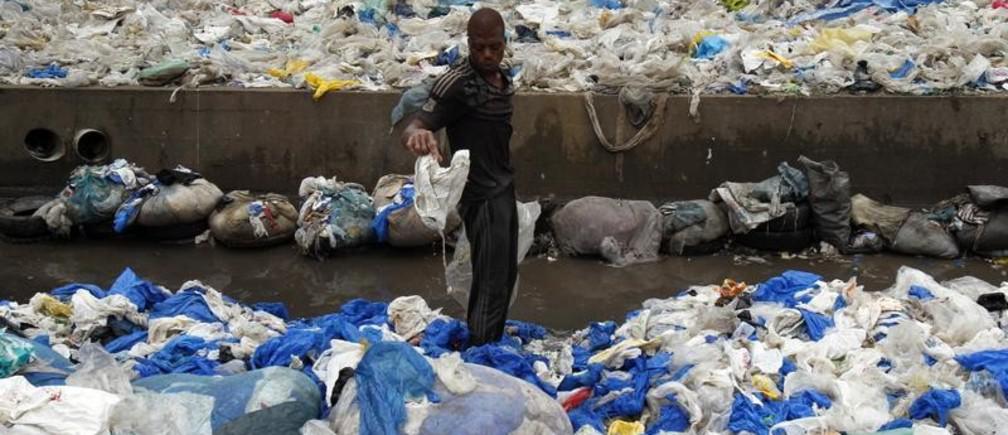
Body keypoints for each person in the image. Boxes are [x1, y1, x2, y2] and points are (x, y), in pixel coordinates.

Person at [401, 8, 516, 346]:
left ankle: (490, 337)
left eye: (494, 47)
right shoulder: (457, 82)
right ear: (468, 43)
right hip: (480, 194)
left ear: (504, 43)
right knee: (490, 278)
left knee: (505, 274)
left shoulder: (504, 77)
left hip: (504, 185)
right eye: (479, 47)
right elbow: (417, 124)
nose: (487, 55)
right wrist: (419, 136)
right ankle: (482, 348)